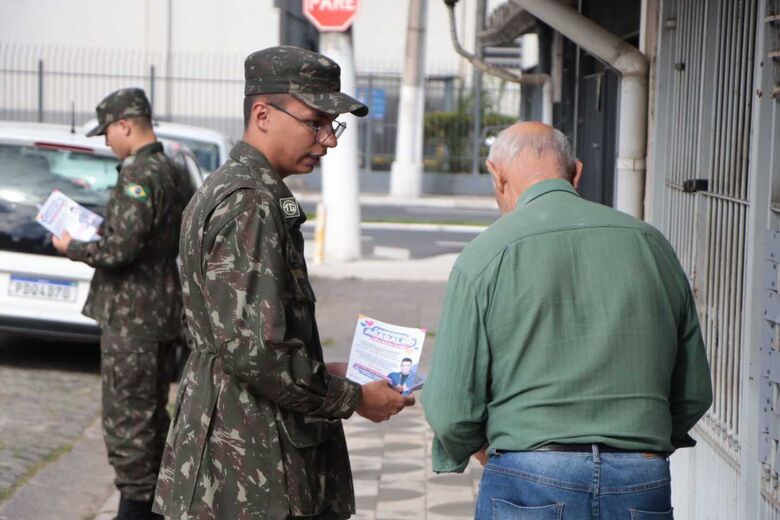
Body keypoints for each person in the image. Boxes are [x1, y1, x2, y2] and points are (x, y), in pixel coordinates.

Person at [153, 46, 415, 519]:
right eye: (316, 123)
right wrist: (353, 398)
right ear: (263, 114)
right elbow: (255, 352)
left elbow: (247, 335)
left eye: (331, 125)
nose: (328, 141)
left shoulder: (233, 188)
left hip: (236, 455)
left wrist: (321, 370)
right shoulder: (251, 203)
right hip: (251, 469)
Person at [422, 122, 713, 519]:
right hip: (639, 474)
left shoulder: (486, 254)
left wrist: (486, 450)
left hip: (529, 471)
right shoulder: (650, 244)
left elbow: (451, 408)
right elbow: (693, 391)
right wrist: (642, 444)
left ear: (497, 174)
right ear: (576, 172)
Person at [52, 87, 193, 520]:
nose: (107, 142)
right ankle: (154, 504)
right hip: (160, 313)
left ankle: (135, 511)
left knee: (128, 423)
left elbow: (120, 250)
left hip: (134, 318)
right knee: (150, 419)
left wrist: (73, 246)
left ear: (125, 125)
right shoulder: (173, 170)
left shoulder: (139, 174)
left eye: (108, 133)